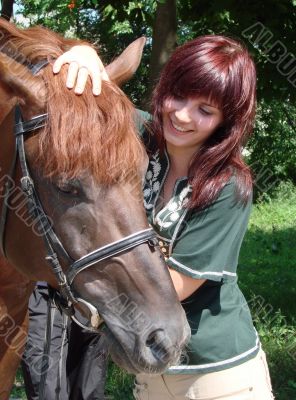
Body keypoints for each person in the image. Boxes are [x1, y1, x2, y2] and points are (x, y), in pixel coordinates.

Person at [50, 35, 275, 400]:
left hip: (218, 376)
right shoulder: (142, 138)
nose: (182, 115)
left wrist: (83, 278)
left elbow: (171, 286)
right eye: (179, 95)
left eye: (205, 110)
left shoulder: (228, 187)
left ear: (225, 122)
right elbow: (96, 94)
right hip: (152, 375)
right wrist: (84, 52)